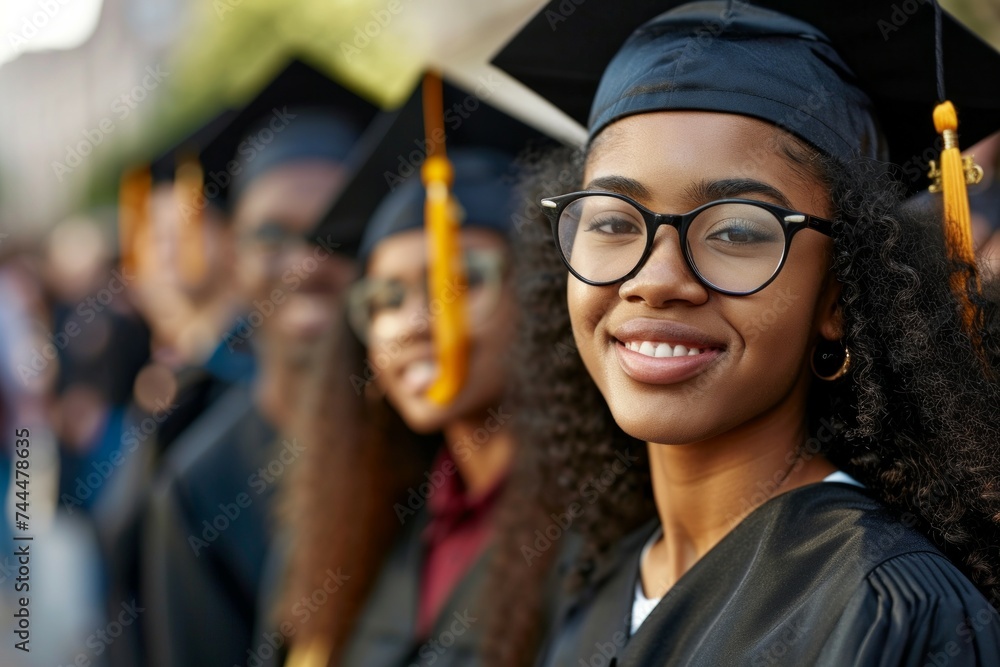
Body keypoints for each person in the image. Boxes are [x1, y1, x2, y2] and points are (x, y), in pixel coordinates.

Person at [482, 1, 1000, 665]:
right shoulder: (604, 586)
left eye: (735, 230)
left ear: (839, 294)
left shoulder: (889, 609)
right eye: (613, 222)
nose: (657, 277)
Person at [268, 78, 547, 667]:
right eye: (386, 298)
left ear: (543, 298)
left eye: (463, 282)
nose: (416, 323)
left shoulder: (598, 535)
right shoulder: (366, 532)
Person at [139, 57, 379, 667]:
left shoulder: (435, 436)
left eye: (336, 230)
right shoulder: (198, 488)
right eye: (271, 236)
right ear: (234, 260)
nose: (305, 264)